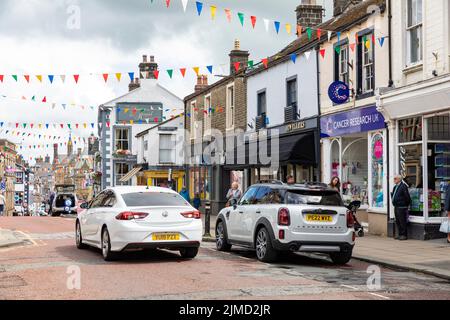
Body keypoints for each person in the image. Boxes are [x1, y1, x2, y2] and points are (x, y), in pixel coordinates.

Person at [391, 175, 411, 241]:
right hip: (396, 206)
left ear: (399, 179)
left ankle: (404, 235)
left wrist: (406, 204)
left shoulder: (403, 186)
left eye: (395, 178)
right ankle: (400, 234)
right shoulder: (395, 187)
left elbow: (407, 197)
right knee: (398, 221)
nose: (394, 180)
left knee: (402, 221)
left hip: (402, 207)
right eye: (394, 178)